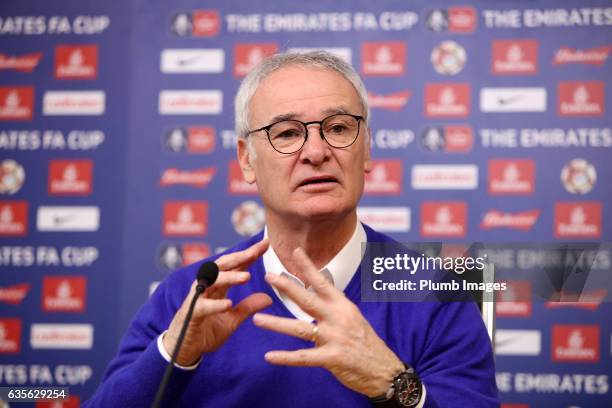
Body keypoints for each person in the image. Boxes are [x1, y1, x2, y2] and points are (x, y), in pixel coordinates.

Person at [84, 51, 499, 407]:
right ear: (246, 160)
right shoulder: (193, 294)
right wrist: (174, 357)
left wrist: (393, 384)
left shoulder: (438, 293)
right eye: (286, 133)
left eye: (338, 128)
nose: (316, 152)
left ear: (367, 148)